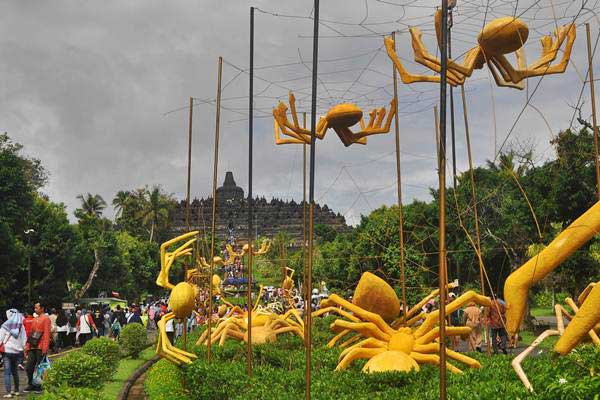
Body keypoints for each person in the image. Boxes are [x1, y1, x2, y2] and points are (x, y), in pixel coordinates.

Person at [23, 303, 51, 394]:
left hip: (41, 346)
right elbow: (31, 334)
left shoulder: (46, 319)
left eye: (36, 307)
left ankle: (40, 385)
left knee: (41, 367)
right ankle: (31, 384)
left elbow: (47, 334)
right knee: (29, 367)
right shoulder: (35, 319)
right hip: (33, 346)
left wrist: (45, 348)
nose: (35, 309)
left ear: (42, 308)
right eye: (34, 307)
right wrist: (27, 347)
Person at [0, 309, 27, 397]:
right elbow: (24, 339)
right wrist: (22, 348)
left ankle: (8, 393)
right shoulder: (21, 326)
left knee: (7, 372)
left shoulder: (5, 325)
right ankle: (16, 391)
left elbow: (0, 338)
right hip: (17, 352)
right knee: (15, 371)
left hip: (7, 351)